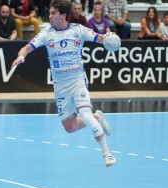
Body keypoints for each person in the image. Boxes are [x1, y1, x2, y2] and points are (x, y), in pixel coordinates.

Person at [11, 0, 117, 167]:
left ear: (63, 15)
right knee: (70, 127)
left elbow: (100, 38)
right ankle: (98, 117)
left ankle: (107, 154)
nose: (50, 16)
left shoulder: (78, 30)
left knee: (86, 115)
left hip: (77, 80)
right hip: (60, 86)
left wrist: (110, 40)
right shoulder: (46, 34)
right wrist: (20, 56)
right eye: (50, 13)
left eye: (53, 13)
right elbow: (26, 47)